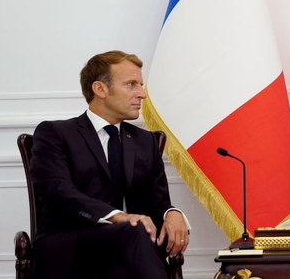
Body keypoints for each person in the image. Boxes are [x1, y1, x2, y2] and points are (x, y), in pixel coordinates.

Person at [30, 50, 190, 279]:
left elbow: (158, 202)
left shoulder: (145, 141)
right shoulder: (56, 133)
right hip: (71, 245)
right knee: (132, 232)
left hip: (128, 251)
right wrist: (118, 217)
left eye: (141, 85)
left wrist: (172, 213)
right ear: (100, 89)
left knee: (127, 254)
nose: (142, 94)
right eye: (131, 84)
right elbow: (58, 192)